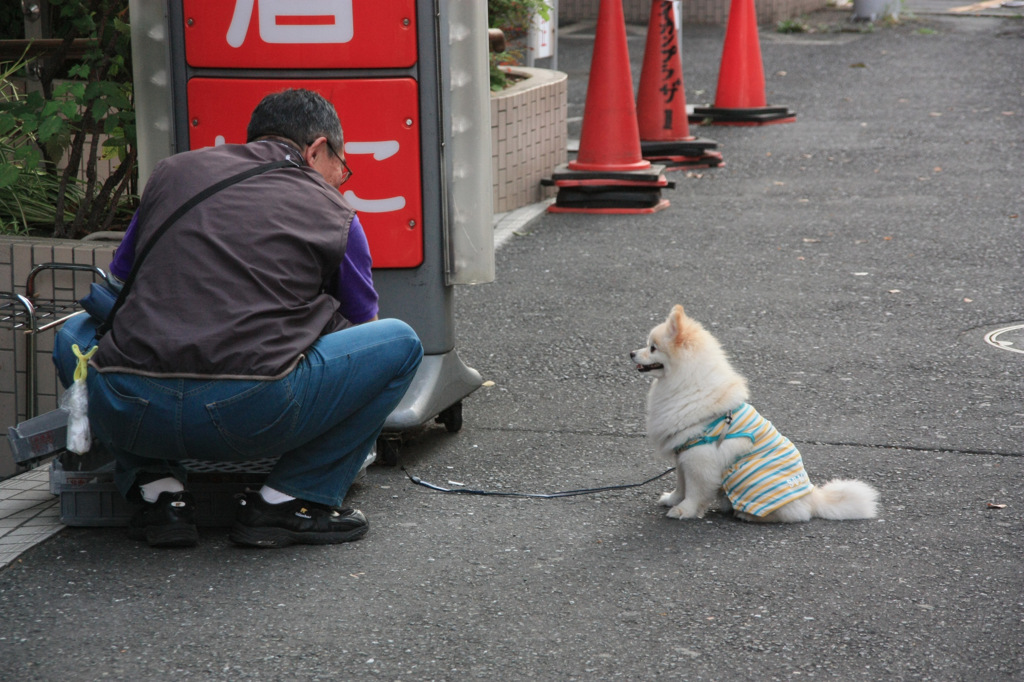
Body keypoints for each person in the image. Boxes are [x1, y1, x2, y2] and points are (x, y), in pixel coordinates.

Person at [80, 88, 423, 548]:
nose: (340, 179)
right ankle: (288, 501)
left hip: (132, 406)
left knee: (72, 335)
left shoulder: (173, 173)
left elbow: (118, 287)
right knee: (399, 344)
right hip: (249, 415)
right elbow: (365, 329)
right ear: (317, 148)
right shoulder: (336, 212)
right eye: (340, 165)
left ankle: (160, 495)